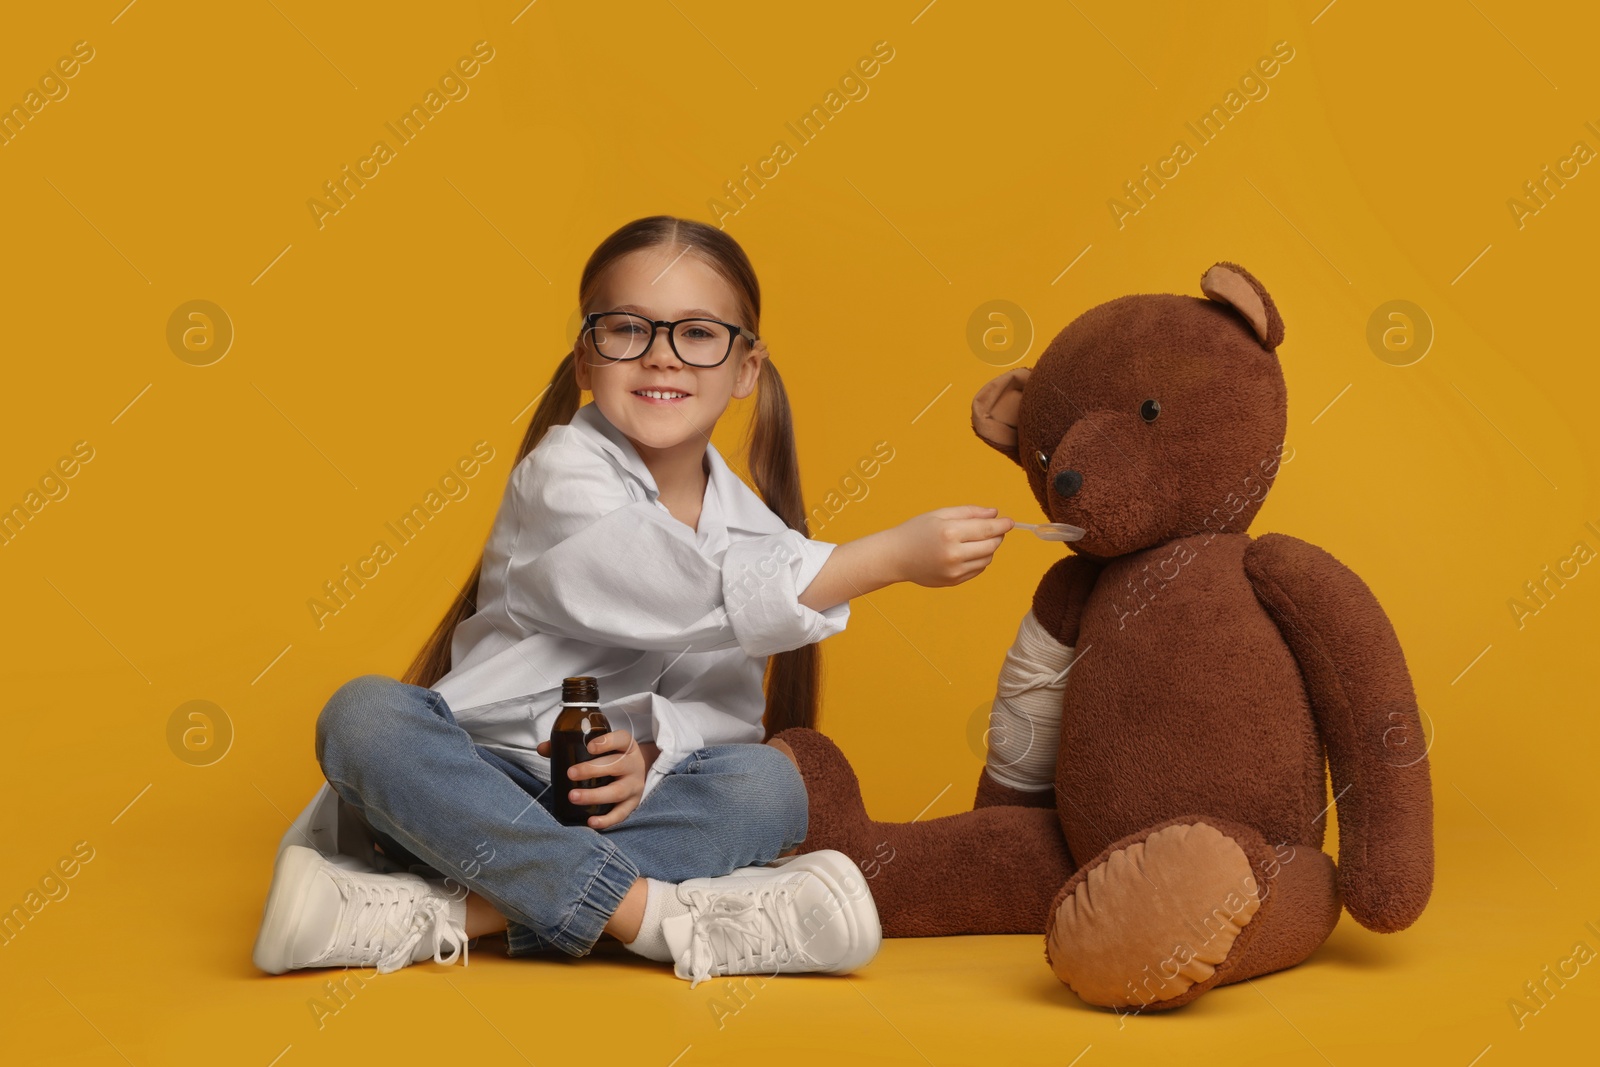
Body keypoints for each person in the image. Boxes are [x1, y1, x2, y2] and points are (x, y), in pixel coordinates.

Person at [251, 215, 1015, 988]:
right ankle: (652, 917)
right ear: (587, 357)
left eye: (698, 333)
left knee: (771, 784)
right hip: (476, 794)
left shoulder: (755, 529)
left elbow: (721, 715)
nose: (661, 354)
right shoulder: (563, 474)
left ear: (747, 367)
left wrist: (650, 758)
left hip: (622, 814)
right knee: (365, 716)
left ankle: (451, 915)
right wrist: (887, 557)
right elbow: (670, 585)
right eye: (628, 329)